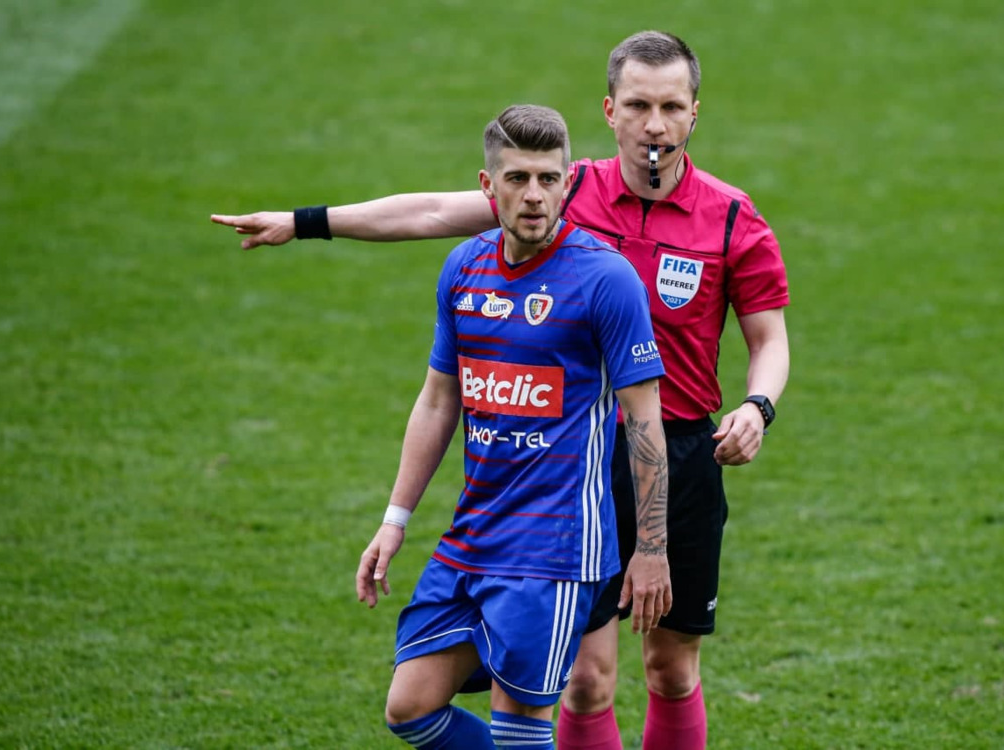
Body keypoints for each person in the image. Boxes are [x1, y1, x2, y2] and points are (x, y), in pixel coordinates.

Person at [213, 31, 790, 750]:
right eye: (638, 106)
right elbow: (429, 213)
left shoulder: (731, 217)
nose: (654, 124)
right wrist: (304, 224)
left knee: (670, 668)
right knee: (585, 678)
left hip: (677, 450)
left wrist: (757, 406)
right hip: (576, 459)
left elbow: (768, 339)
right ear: (609, 111)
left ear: (694, 113)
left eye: (671, 107)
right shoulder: (559, 188)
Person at [351, 104, 672, 749]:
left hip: (553, 547)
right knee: (410, 708)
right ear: (487, 184)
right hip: (473, 535)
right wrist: (395, 518)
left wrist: (652, 548)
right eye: (518, 178)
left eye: (549, 179)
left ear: (566, 183)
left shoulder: (605, 278)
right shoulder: (463, 268)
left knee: (519, 728)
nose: (534, 195)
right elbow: (439, 400)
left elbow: (643, 419)